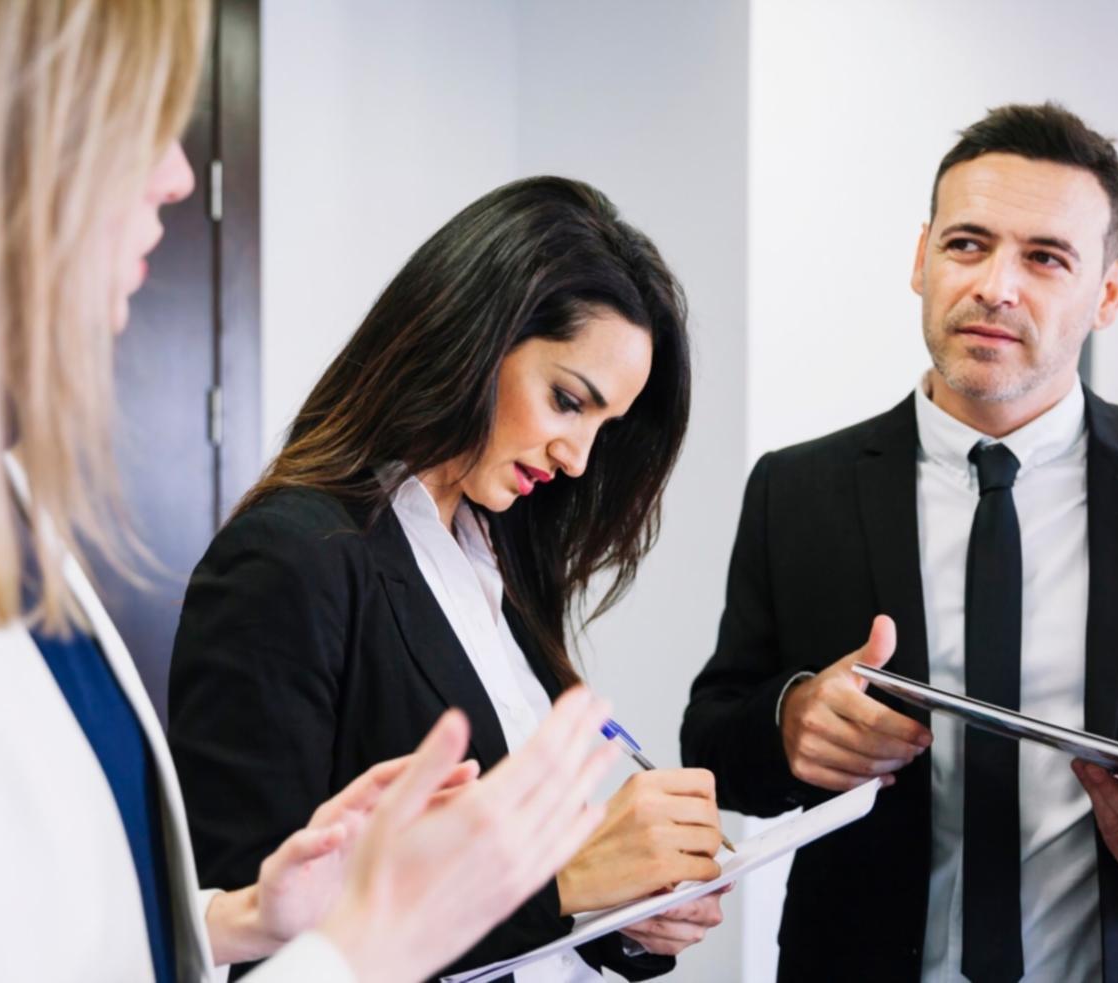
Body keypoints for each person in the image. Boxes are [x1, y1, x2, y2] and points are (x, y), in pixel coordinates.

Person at [0, 2, 620, 981]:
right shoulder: (296, 551)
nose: (177, 174)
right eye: (143, 121)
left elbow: (70, 927)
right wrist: (366, 947)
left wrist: (243, 915)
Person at [682, 102, 1118, 982]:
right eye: (967, 244)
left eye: (1046, 257)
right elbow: (716, 737)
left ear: (1109, 292)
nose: (996, 285)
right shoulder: (797, 489)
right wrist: (790, 723)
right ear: (920, 258)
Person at [168, 176, 728, 982]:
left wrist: (629, 912)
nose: (578, 458)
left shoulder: (492, 557)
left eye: (604, 428)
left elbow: (539, 912)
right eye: (568, 401)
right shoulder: (288, 560)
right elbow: (254, 936)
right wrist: (568, 881)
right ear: (474, 337)